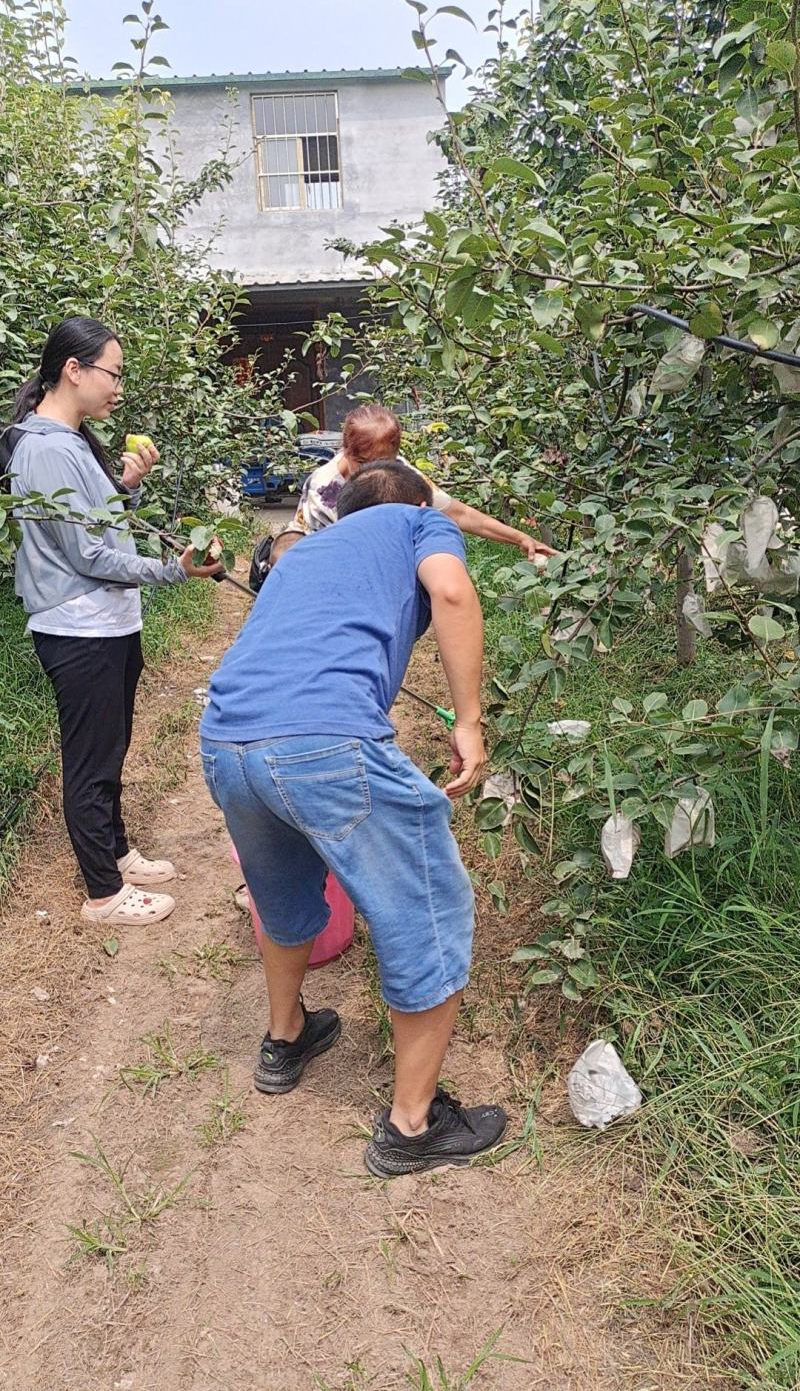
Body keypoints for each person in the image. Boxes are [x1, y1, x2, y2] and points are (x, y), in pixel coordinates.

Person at [200, 459, 508, 1177]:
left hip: (225, 741)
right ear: (418, 500)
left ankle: (285, 1038)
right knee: (427, 908)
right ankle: (412, 1127)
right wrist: (469, 722)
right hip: (322, 741)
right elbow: (453, 593)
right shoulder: (419, 519)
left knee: (281, 898)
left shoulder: (307, 548)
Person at [3, 316, 222, 927]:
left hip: (105, 622)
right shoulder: (45, 447)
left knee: (111, 744)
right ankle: (103, 893)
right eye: (113, 373)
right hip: (78, 628)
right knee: (91, 757)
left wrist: (123, 486)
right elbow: (87, 556)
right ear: (74, 370)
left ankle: (117, 851)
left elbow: (90, 526)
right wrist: (173, 569)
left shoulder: (69, 443)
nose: (118, 387)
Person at [295, 402, 554, 561]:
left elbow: (458, 513)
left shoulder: (400, 472)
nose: (374, 472)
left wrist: (520, 538)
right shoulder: (323, 488)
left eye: (383, 463)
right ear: (345, 450)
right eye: (363, 463)